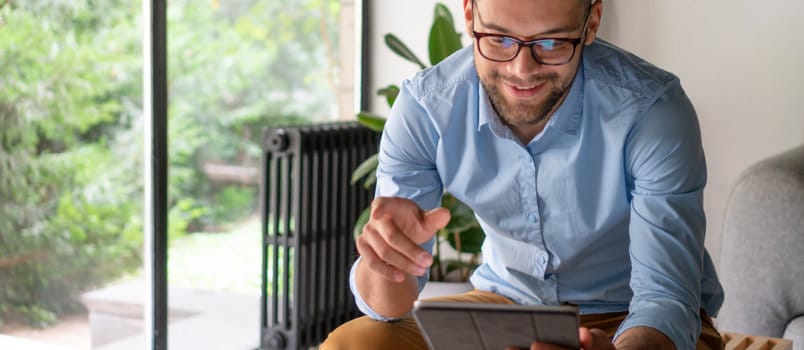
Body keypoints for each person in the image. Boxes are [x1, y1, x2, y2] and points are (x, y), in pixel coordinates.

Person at [321, 0, 725, 348]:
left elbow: (666, 301)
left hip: (629, 318)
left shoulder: (652, 111)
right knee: (352, 344)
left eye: (551, 42)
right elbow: (386, 307)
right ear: (469, 14)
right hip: (503, 307)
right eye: (498, 39)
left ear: (592, 22)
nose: (521, 69)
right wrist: (384, 264)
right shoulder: (427, 109)